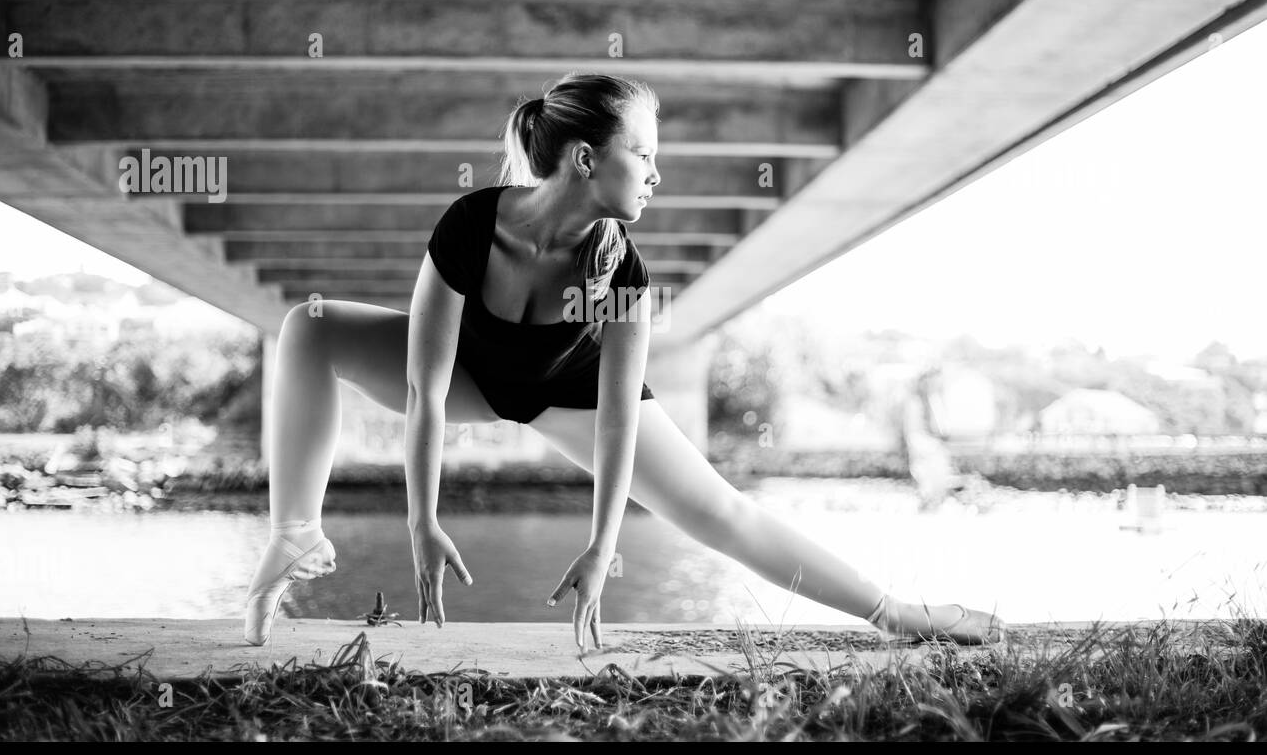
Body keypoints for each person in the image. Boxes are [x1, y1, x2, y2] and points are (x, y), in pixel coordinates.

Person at [243, 72, 1006, 650]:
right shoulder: (471, 226)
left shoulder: (623, 274)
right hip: (472, 379)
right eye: (642, 153)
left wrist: (602, 549)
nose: (655, 173)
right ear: (584, 158)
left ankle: (898, 614)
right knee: (308, 327)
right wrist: (421, 522)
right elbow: (425, 389)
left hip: (567, 396)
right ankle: (295, 532)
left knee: (722, 514)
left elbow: (614, 423)